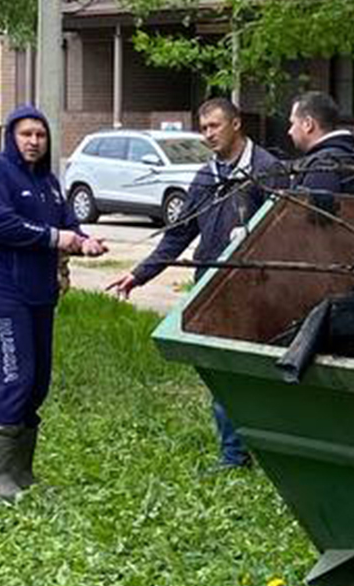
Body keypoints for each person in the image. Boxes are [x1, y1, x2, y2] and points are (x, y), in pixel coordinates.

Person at [107, 96, 285, 469]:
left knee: (249, 374)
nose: (208, 135)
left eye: (214, 126)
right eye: (203, 128)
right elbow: (179, 233)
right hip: (211, 288)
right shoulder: (206, 176)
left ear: (236, 124)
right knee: (218, 371)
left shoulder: (267, 170)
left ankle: (260, 451)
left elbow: (285, 230)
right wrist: (140, 274)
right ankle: (234, 454)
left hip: (256, 291)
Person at [0, 105, 106, 497]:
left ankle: (19, 471)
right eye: (26, 134)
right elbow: (0, 224)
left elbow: (66, 225)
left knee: (38, 382)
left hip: (40, 292)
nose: (34, 141)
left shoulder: (49, 182)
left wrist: (84, 241)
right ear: (12, 136)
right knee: (14, 377)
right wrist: (55, 238)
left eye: (40, 135)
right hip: (2, 291)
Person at [288, 90, 354, 201]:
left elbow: (310, 215)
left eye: (293, 123)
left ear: (308, 124)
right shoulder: (344, 156)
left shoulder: (324, 165)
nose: (290, 131)